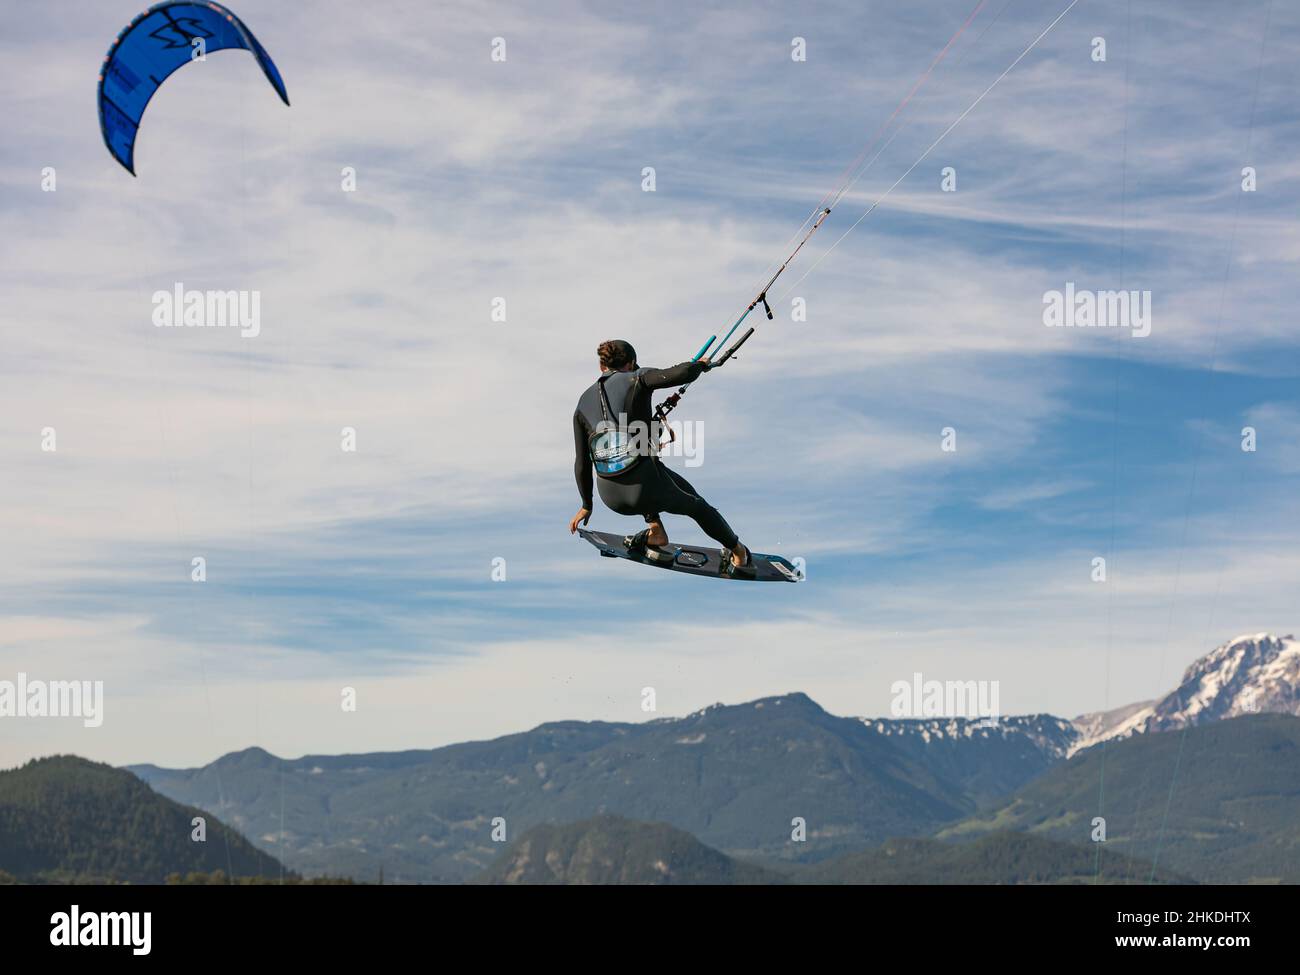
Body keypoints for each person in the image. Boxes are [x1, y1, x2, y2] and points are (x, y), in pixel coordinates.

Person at [568, 339, 751, 572]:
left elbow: (582, 463)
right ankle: (739, 552)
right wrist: (701, 365)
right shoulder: (637, 377)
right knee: (698, 507)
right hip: (645, 487)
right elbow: (681, 373)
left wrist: (586, 504)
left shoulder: (581, 404)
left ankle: (656, 531)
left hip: (610, 497)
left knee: (648, 465)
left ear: (601, 367)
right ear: (631, 362)